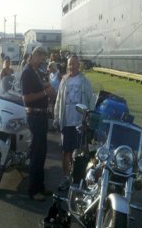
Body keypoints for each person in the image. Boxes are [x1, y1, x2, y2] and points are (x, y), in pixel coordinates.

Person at [20, 46, 56, 201]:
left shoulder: (37, 72)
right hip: (34, 115)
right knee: (36, 153)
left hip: (41, 116)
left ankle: (40, 186)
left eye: (43, 57)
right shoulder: (27, 73)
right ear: (33, 55)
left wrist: (48, 88)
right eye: (40, 56)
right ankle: (33, 191)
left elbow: (46, 88)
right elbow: (25, 98)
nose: (42, 60)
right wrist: (44, 93)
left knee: (42, 153)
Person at [53, 55, 93, 191]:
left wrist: (89, 120)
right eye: (70, 64)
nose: (72, 67)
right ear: (67, 65)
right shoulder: (64, 81)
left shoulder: (84, 82)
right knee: (66, 152)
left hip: (79, 124)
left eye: (75, 64)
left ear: (78, 65)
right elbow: (58, 100)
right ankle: (65, 177)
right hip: (66, 122)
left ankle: (77, 179)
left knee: (79, 153)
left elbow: (90, 101)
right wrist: (56, 118)